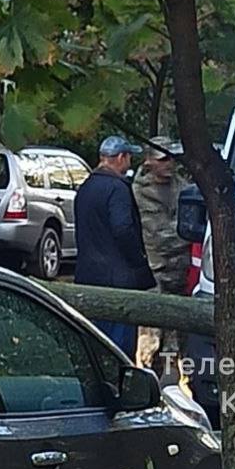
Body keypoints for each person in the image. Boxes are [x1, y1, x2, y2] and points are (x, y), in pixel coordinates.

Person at [74, 135, 154, 359]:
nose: (130, 163)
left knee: (94, 342)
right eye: (129, 158)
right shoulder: (117, 188)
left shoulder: (86, 187)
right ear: (121, 157)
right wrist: (137, 260)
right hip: (118, 279)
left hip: (88, 275)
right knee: (119, 348)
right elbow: (122, 229)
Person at [132, 136, 189, 374]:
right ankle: (147, 379)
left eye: (172, 158)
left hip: (181, 270)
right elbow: (152, 233)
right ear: (149, 161)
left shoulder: (183, 187)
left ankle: (177, 381)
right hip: (153, 272)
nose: (169, 164)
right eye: (163, 159)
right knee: (150, 336)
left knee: (178, 338)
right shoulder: (136, 192)